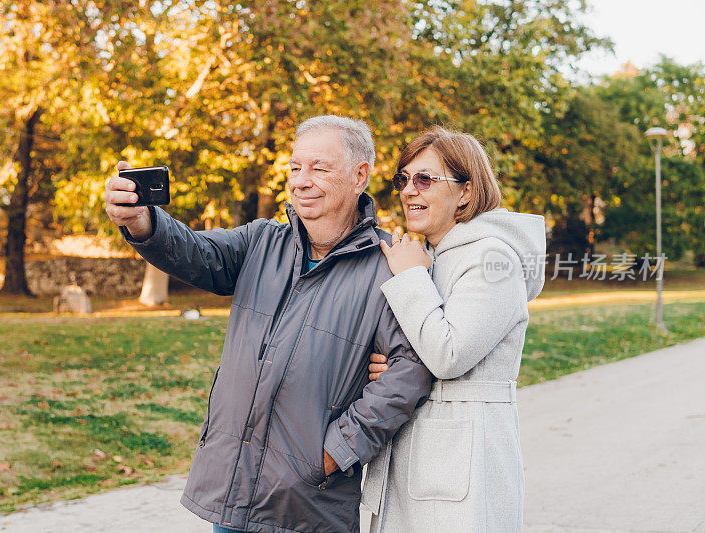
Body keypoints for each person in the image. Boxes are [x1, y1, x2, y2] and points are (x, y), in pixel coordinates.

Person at [103, 115, 433, 533]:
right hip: (234, 491)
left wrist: (335, 450)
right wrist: (141, 221)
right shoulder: (261, 241)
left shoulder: (389, 265)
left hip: (308, 503)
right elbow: (195, 251)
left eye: (319, 168)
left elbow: (409, 370)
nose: (301, 180)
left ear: (359, 176)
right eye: (295, 167)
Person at [361, 126, 546, 532]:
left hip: (465, 459)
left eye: (425, 179)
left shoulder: (494, 259)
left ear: (465, 191)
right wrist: (396, 367)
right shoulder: (428, 256)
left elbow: (449, 354)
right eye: (403, 179)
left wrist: (411, 279)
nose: (410, 190)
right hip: (417, 453)